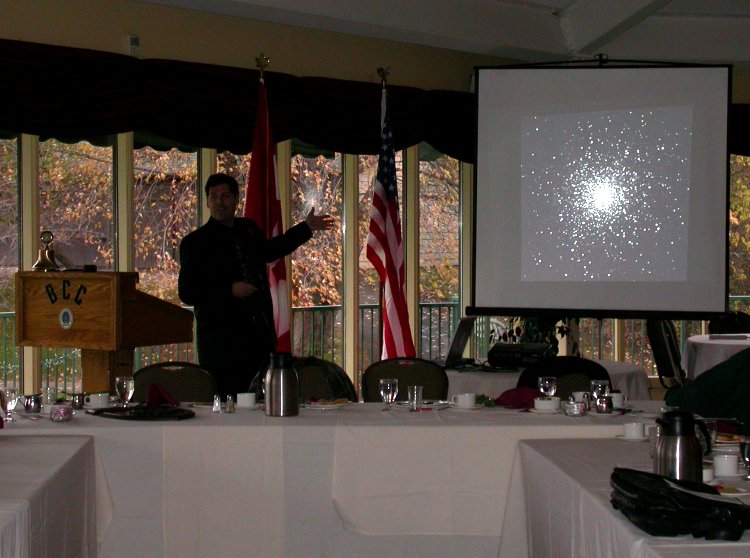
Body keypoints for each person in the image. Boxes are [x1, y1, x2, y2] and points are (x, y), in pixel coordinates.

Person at [178, 173, 335, 399]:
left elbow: (271, 250)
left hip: (258, 337)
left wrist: (306, 228)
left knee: (263, 401)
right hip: (220, 344)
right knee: (229, 403)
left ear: (236, 199)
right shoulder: (195, 242)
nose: (219, 202)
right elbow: (187, 292)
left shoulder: (247, 229)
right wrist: (229, 290)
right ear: (207, 201)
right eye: (213, 197)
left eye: (225, 196)